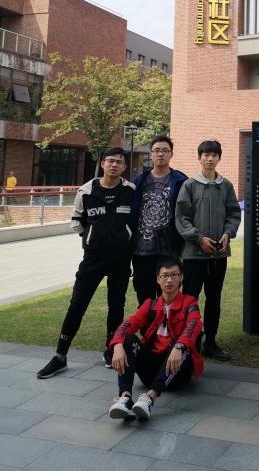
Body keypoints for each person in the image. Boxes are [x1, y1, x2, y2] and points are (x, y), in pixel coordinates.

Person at [37, 148, 136, 379]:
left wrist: (123, 236)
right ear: (102, 163)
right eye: (110, 161)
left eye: (119, 162)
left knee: (116, 305)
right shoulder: (87, 190)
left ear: (124, 166)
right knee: (77, 304)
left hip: (121, 258)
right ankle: (60, 356)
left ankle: (110, 350)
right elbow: (77, 222)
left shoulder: (130, 191)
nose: (114, 165)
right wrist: (93, 238)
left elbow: (134, 220)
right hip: (93, 258)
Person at [107, 257, 203, 421]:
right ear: (158, 279)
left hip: (177, 373)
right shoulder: (150, 304)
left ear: (181, 277)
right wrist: (117, 345)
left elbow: (194, 325)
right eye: (165, 276)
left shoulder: (189, 303)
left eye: (174, 275)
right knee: (127, 339)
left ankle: (149, 399)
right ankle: (125, 398)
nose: (169, 280)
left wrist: (178, 346)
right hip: (149, 372)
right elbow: (129, 324)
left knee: (182, 342)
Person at [175, 139, 241, 362]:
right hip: (194, 255)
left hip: (218, 255)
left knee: (214, 299)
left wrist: (227, 233)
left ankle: (210, 342)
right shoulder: (189, 185)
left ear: (219, 158)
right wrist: (198, 238)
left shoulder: (226, 185)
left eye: (214, 155)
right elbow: (181, 218)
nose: (210, 159)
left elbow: (234, 214)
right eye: (206, 155)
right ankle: (188, 342)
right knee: (189, 299)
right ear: (199, 158)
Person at [131, 135, 188, 305]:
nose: (160, 154)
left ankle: (168, 323)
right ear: (151, 154)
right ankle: (148, 323)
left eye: (165, 150)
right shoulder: (139, 181)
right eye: (156, 150)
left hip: (169, 250)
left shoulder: (181, 181)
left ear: (171, 154)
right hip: (141, 250)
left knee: (170, 297)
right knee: (145, 298)